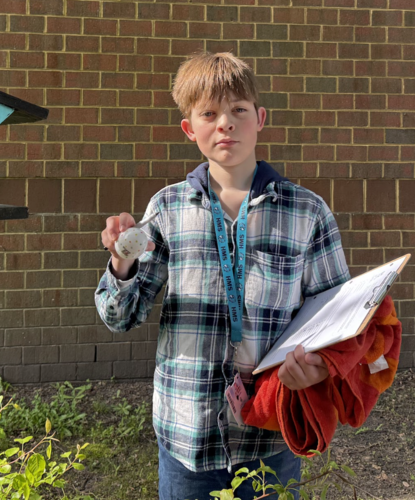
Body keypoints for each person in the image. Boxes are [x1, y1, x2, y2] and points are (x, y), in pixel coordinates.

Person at [94, 51, 351, 500]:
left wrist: (317, 370)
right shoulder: (167, 210)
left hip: (272, 432)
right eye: (209, 113)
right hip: (187, 436)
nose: (225, 124)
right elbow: (121, 317)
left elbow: (336, 324)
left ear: (260, 118)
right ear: (190, 129)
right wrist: (122, 262)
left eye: (239, 110)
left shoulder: (307, 212)